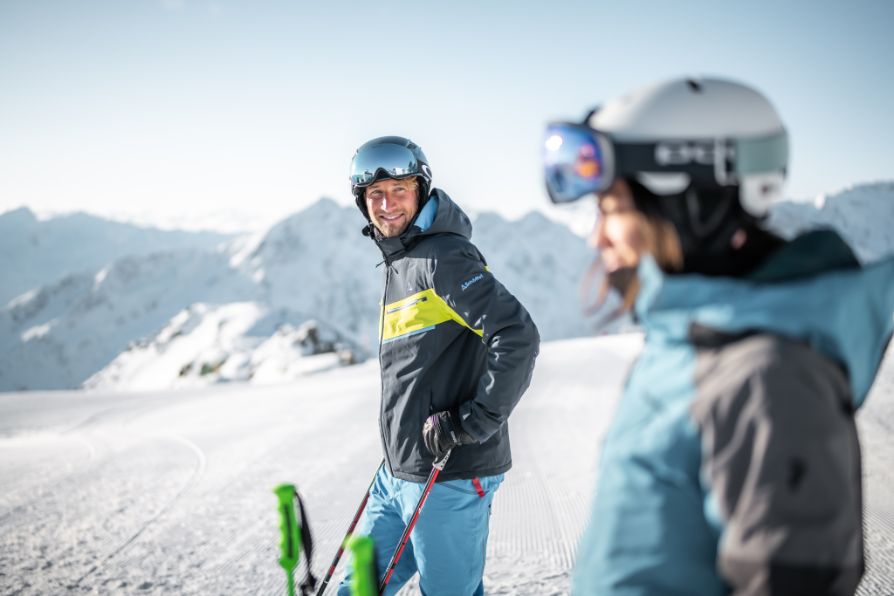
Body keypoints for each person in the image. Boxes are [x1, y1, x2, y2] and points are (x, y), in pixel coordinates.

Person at [542, 77, 894, 595]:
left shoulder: (768, 378)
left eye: (612, 209)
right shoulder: (688, 341)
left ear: (693, 206)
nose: (597, 237)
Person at [339, 135, 540, 595]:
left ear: (422, 190)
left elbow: (518, 335)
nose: (387, 205)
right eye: (375, 195)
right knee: (358, 589)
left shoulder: (443, 258)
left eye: (400, 190)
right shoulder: (401, 261)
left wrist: (474, 422)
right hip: (398, 472)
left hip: (449, 472)